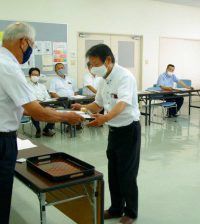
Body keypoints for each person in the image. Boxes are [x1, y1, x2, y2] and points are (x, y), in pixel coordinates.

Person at [0, 22, 84, 224]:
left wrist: (54, 113)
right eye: (32, 46)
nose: (30, 51)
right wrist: (67, 117)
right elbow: (36, 112)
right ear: (24, 42)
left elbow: (26, 108)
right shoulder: (8, 66)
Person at [72, 44, 141, 224]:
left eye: (95, 64)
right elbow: (98, 105)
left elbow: (122, 104)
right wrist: (82, 108)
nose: (93, 69)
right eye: (90, 65)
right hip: (114, 131)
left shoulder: (125, 77)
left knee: (127, 174)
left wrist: (104, 118)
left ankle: (131, 212)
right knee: (113, 172)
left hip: (129, 130)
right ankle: (116, 208)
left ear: (108, 61)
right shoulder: (103, 80)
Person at [28, 67, 55, 138]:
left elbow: (47, 97)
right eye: (33, 75)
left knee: (53, 111)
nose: (35, 77)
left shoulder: (42, 86)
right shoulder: (26, 86)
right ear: (29, 75)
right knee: (34, 112)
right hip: (32, 105)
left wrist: (44, 100)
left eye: (37, 75)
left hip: (44, 103)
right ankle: (38, 129)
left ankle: (46, 129)